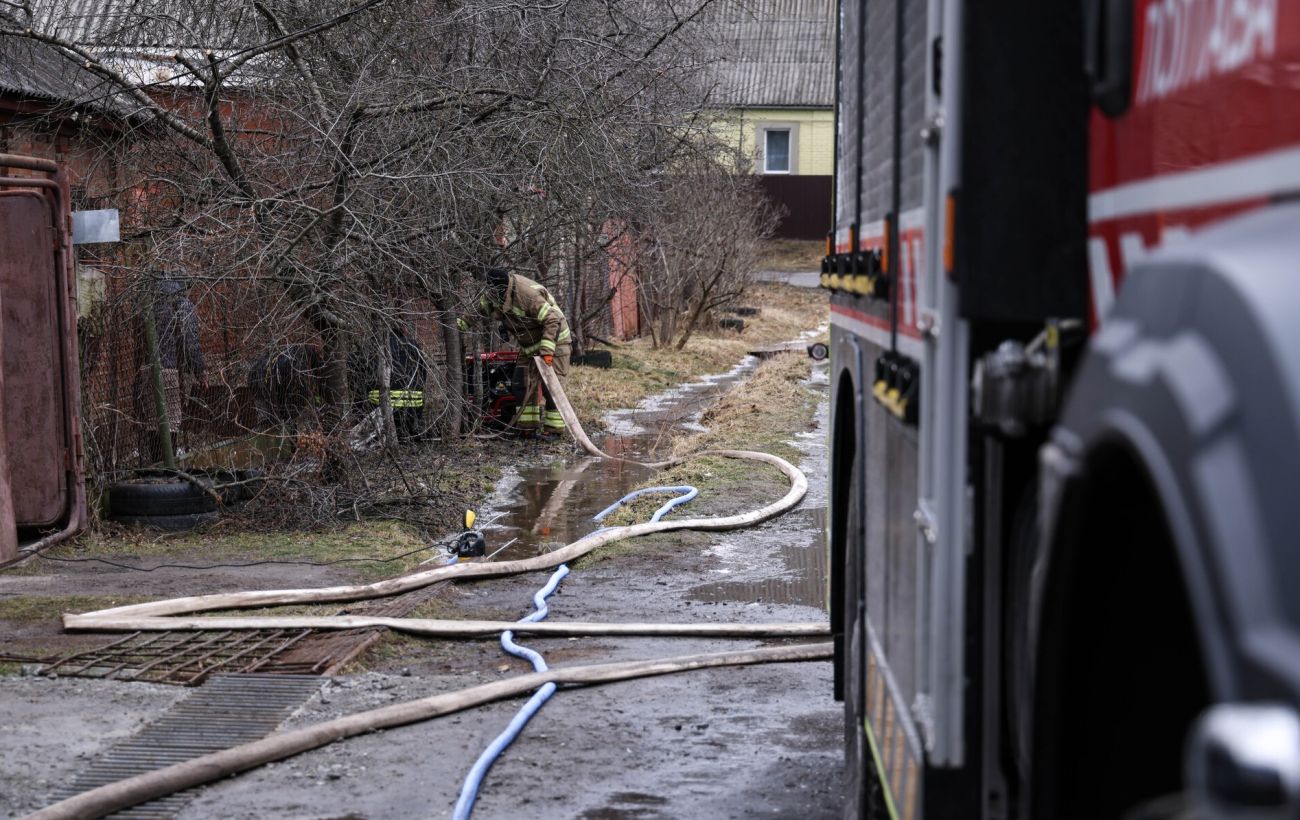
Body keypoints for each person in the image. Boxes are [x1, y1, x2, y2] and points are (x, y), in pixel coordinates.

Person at [464, 268, 571, 438]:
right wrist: (461, 323)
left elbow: (552, 320)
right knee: (521, 385)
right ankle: (528, 429)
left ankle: (554, 431)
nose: (492, 297)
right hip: (530, 346)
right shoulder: (493, 294)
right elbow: (478, 310)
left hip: (555, 342)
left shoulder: (526, 294)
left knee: (551, 387)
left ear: (503, 288)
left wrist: (547, 351)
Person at [134, 277, 206, 463]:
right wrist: (199, 370)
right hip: (170, 369)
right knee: (171, 421)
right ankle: (169, 467)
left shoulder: (146, 302)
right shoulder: (181, 303)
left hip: (146, 369)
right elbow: (189, 340)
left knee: (153, 422)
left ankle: (156, 464)